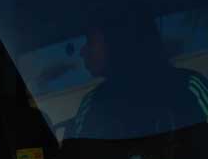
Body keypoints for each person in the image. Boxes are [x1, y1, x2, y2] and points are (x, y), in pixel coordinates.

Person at [69, 10, 208, 142]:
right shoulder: (92, 103)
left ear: (116, 42)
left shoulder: (188, 87)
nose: (83, 51)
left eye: (91, 41)